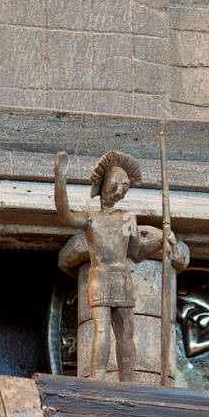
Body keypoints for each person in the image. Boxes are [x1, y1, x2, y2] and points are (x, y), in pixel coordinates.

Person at [54, 148, 173, 382]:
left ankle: (127, 382)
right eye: (115, 185)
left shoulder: (128, 218)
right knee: (101, 329)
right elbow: (66, 216)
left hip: (122, 277)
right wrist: (60, 183)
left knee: (126, 331)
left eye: (125, 187)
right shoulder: (91, 218)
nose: (119, 191)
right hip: (100, 277)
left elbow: (136, 253)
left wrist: (160, 241)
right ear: (102, 184)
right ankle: (98, 380)